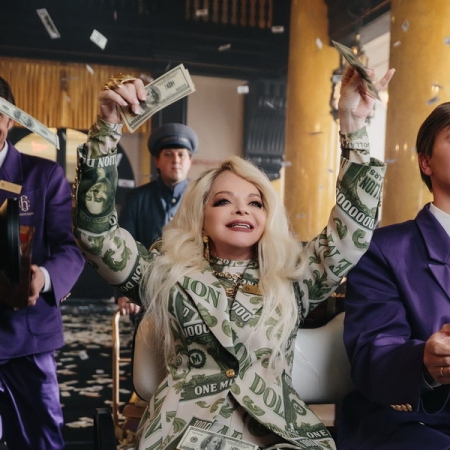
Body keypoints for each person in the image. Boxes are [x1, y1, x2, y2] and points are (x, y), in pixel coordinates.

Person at [72, 66, 394, 450]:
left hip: (277, 435)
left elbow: (350, 235)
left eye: (255, 203)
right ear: (201, 217)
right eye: (224, 201)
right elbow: (96, 237)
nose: (242, 210)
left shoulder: (293, 276)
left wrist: (353, 125)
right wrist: (107, 130)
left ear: (267, 216)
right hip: (182, 435)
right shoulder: (164, 273)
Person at [338, 101, 450, 450]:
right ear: (426, 162)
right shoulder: (384, 249)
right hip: (416, 422)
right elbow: (372, 355)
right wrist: (424, 361)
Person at [0, 77, 85, 450]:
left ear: (9, 119)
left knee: (41, 440)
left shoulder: (44, 175)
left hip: (28, 336)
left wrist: (44, 277)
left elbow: (70, 247)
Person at [117, 121, 198, 315]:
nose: (175, 160)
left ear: (190, 161)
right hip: (146, 294)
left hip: (193, 295)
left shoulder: (202, 198)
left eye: (181, 154)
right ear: (157, 161)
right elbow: (124, 248)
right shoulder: (136, 198)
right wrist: (126, 291)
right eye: (168, 154)